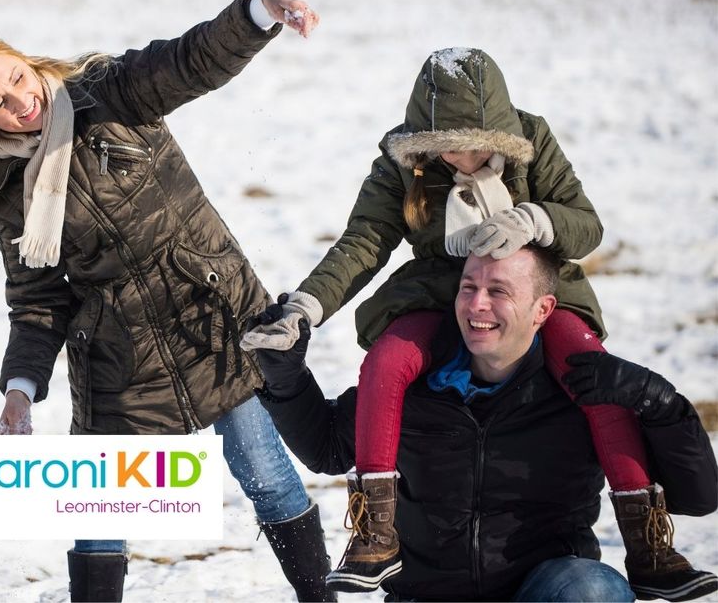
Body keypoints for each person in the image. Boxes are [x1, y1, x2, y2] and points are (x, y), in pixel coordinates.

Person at [0, 0, 335, 603]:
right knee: (100, 513)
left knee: (267, 477)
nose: (21, 102)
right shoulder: (6, 194)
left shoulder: (109, 92)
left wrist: (257, 14)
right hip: (118, 354)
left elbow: (189, 61)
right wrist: (19, 390)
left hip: (211, 316)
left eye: (19, 79)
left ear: (28, 62)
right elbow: (36, 301)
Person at [241, 46, 708, 596]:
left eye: (471, 144)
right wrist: (304, 309)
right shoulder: (401, 160)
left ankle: (650, 543)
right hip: (437, 293)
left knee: (591, 374)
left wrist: (537, 220)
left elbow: (586, 225)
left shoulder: (533, 144)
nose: (459, 158)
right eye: (444, 148)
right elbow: (363, 242)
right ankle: (376, 531)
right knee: (386, 363)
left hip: (535, 285)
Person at [254, 247, 718, 602]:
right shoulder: (413, 387)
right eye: (467, 287)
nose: (476, 305)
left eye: (498, 291)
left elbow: (698, 498)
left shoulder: (583, 394)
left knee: (592, 590)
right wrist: (286, 377)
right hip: (427, 594)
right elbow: (327, 450)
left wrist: (660, 403)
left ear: (543, 310)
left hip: (544, 586)